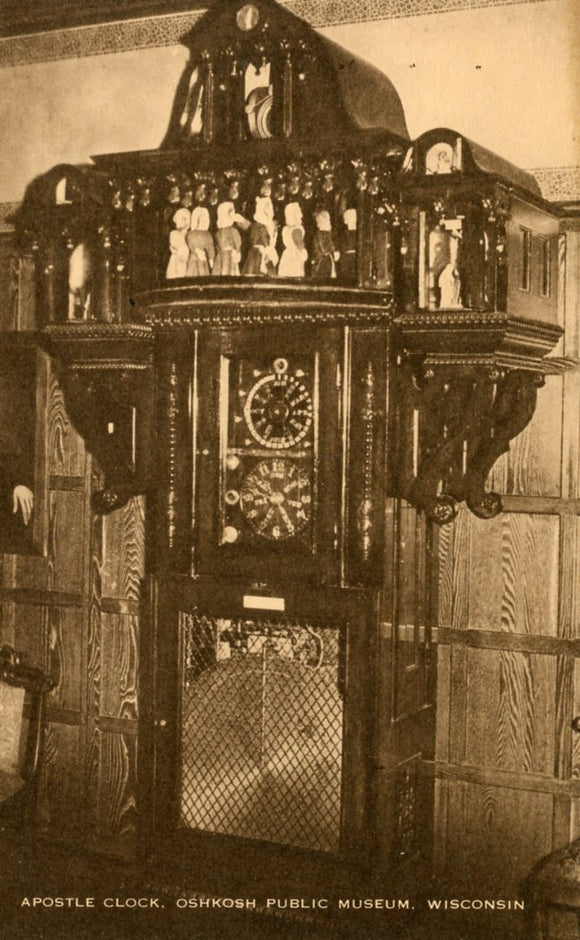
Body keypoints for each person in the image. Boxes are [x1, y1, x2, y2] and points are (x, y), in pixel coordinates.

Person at [242, 196, 278, 276]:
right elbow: (266, 242)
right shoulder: (262, 227)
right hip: (261, 253)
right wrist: (269, 251)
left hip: (253, 252)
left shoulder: (255, 225)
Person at [212, 202, 243, 277]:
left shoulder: (218, 232)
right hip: (230, 256)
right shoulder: (232, 230)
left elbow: (217, 246)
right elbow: (238, 242)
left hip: (220, 257)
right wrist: (238, 252)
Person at [278, 202, 307, 278]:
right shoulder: (297, 230)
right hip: (295, 256)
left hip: (287, 255)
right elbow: (300, 244)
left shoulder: (286, 229)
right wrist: (303, 253)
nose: (301, 215)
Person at [185, 207, 215, 277]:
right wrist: (196, 251)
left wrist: (211, 259)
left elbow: (210, 247)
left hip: (203, 259)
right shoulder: (191, 233)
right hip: (193, 258)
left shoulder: (207, 234)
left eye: (205, 219)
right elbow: (190, 244)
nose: (203, 221)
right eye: (201, 219)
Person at [166, 207, 191, 279]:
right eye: (182, 218)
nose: (184, 221)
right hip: (177, 261)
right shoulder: (174, 234)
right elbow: (182, 249)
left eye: (186, 218)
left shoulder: (190, 234)